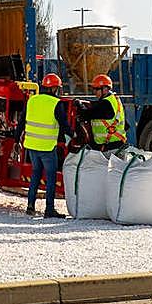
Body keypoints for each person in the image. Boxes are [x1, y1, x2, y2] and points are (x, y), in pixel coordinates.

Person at [18, 73, 70, 219]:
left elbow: (22, 121)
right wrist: (74, 135)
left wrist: (16, 139)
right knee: (51, 178)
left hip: (32, 146)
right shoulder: (56, 103)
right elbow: (64, 124)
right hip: (47, 147)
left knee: (35, 174)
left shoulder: (32, 100)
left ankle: (30, 206)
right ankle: (49, 209)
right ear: (54, 88)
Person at [78, 74, 127, 152]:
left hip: (109, 147)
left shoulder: (105, 104)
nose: (94, 92)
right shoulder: (114, 99)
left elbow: (86, 115)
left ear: (105, 89)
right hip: (117, 144)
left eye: (97, 89)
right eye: (93, 89)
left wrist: (80, 106)